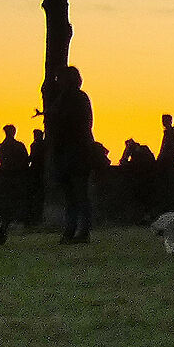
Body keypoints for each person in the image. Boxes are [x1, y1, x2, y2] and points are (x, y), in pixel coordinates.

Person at [45, 67, 96, 244]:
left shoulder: (78, 98)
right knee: (71, 196)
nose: (58, 81)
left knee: (80, 195)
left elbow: (81, 124)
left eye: (61, 78)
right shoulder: (64, 99)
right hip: (66, 153)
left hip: (76, 153)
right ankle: (71, 230)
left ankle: (82, 231)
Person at [0, 124, 35, 228]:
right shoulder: (19, 146)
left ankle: (7, 220)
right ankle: (20, 219)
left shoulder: (0, 147)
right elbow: (25, 160)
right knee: (19, 198)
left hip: (6, 175)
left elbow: (2, 161)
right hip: (18, 176)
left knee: (8, 199)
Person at [156, 114, 174, 213]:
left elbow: (168, 150)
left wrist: (161, 160)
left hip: (168, 165)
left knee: (169, 189)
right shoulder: (170, 133)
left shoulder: (171, 134)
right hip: (169, 164)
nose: (163, 123)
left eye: (165, 120)